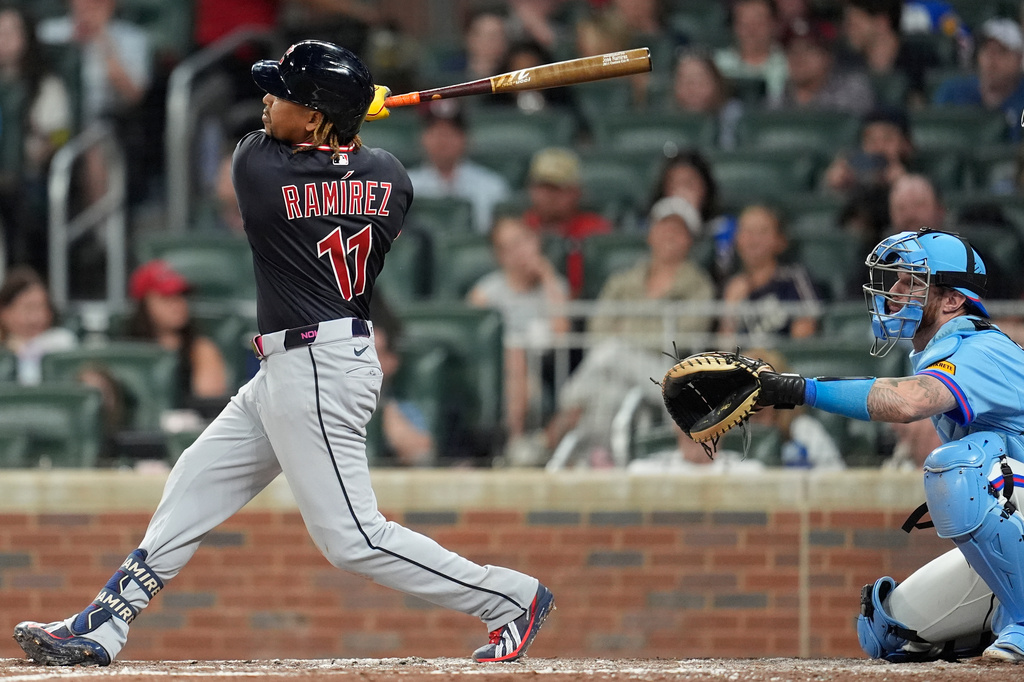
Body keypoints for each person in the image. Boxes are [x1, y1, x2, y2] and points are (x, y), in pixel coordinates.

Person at [12, 40, 553, 667]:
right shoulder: (392, 177)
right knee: (194, 479)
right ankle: (104, 623)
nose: (269, 100)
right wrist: (345, 128)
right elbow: (356, 168)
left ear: (318, 117)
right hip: (300, 366)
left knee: (352, 540)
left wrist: (346, 121)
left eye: (287, 95)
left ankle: (509, 598)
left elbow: (282, 148)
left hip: (317, 370)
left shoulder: (257, 168)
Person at [746, 227, 1024, 663]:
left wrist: (800, 389)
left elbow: (909, 401)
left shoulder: (980, 347)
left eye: (912, 282)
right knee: (889, 628)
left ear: (952, 300)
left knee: (959, 467)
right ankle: (1005, 623)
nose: (894, 291)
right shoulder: (941, 350)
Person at [542, 196, 715, 466]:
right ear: (650, 234)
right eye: (663, 227)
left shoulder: (699, 286)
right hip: (620, 374)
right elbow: (597, 330)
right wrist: (642, 334)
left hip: (667, 372)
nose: (669, 235)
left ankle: (564, 417)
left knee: (611, 352)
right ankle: (601, 460)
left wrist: (625, 336)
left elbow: (682, 338)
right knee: (610, 393)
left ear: (689, 240)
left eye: (678, 230)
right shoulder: (622, 281)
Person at [467, 214, 570, 442]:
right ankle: (513, 440)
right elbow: (473, 344)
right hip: (498, 372)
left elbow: (564, 336)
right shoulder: (484, 293)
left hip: (547, 369)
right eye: (510, 247)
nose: (521, 251)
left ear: (536, 241)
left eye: (524, 240)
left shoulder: (555, 286)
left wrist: (547, 277)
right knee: (514, 354)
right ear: (500, 256)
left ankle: (519, 443)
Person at [0, 5, 72, 271]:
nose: (3, 39)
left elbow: (63, 133)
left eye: (10, 31)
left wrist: (43, 145)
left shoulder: (44, 82)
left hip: (29, 177)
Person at [123, 260, 229, 408]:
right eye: (166, 298)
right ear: (144, 304)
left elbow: (209, 406)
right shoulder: (126, 349)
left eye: (181, 296)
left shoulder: (200, 350)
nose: (177, 305)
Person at [406, 100, 510, 234]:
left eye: (451, 132)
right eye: (436, 132)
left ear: (466, 139)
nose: (443, 140)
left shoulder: (492, 186)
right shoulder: (405, 185)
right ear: (422, 138)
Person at [719, 204, 820, 340]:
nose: (752, 240)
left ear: (780, 241)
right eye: (746, 231)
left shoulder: (794, 278)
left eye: (762, 232)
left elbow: (806, 330)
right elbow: (725, 347)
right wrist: (730, 309)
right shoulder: (731, 285)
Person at [522, 147, 612, 298]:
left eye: (556, 188)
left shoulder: (595, 230)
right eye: (542, 187)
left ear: (576, 191)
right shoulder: (522, 227)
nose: (548, 196)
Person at [933, 18, 1024, 141]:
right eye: (986, 50)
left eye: (1000, 52)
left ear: (1019, 59)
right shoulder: (952, 92)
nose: (991, 61)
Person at [840, 0, 940, 104]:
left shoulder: (922, 61)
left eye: (854, 25)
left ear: (881, 23)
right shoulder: (845, 63)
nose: (847, 31)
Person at [771, 16, 875, 115]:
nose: (798, 57)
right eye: (791, 50)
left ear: (827, 57)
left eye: (808, 49)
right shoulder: (776, 98)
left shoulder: (851, 91)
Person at [0, 265, 76, 385]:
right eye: (29, 309)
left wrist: (24, 350)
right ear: (4, 312)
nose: (38, 318)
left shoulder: (61, 341)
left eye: (43, 307)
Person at [713, 0, 789, 102]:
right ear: (734, 27)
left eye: (758, 23)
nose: (751, 30)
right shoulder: (717, 64)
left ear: (773, 25)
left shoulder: (790, 63)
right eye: (744, 23)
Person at [670, 52, 744, 150]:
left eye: (699, 81)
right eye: (686, 82)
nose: (692, 89)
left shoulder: (733, 116)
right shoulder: (666, 121)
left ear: (716, 84)